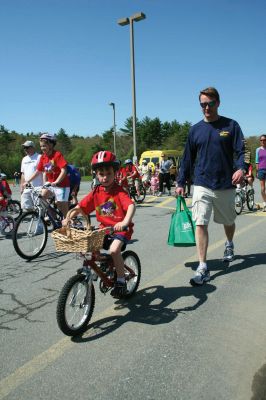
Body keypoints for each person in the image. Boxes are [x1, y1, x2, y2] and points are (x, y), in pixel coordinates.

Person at [175, 87, 245, 286]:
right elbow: (187, 158)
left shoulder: (231, 125)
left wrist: (240, 168)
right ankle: (203, 266)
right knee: (200, 222)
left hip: (225, 183)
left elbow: (241, 151)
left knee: (228, 221)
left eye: (210, 103)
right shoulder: (195, 129)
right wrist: (181, 181)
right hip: (202, 183)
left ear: (218, 103)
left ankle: (229, 243)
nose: (206, 107)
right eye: (203, 104)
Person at [65, 150, 135, 298]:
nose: (105, 177)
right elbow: (80, 207)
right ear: (96, 174)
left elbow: (130, 206)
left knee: (114, 250)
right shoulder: (96, 192)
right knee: (89, 247)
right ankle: (107, 264)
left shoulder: (119, 191)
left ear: (115, 173)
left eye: (109, 173)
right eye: (101, 174)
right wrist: (69, 217)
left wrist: (125, 221)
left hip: (121, 230)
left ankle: (121, 281)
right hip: (105, 229)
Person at [25, 133, 70, 217]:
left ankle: (68, 222)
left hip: (62, 185)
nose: (42, 148)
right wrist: (27, 181)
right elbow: (38, 171)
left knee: (60, 204)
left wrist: (57, 181)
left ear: (51, 145)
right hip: (51, 184)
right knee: (41, 197)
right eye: (41, 146)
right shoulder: (43, 157)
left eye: (44, 146)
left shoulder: (57, 155)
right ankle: (52, 215)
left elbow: (64, 170)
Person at [20, 140, 43, 211]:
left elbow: (39, 171)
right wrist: (21, 186)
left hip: (37, 186)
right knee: (26, 206)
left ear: (33, 148)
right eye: (24, 148)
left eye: (27, 147)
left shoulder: (39, 157)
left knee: (39, 207)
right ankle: (35, 216)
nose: (25, 149)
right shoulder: (24, 159)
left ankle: (41, 221)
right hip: (27, 187)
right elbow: (23, 173)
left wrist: (28, 181)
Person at [255, 134, 266, 212]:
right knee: (262, 189)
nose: (263, 141)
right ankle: (265, 203)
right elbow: (257, 161)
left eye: (264, 140)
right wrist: (257, 171)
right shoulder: (258, 149)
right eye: (261, 140)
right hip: (261, 170)